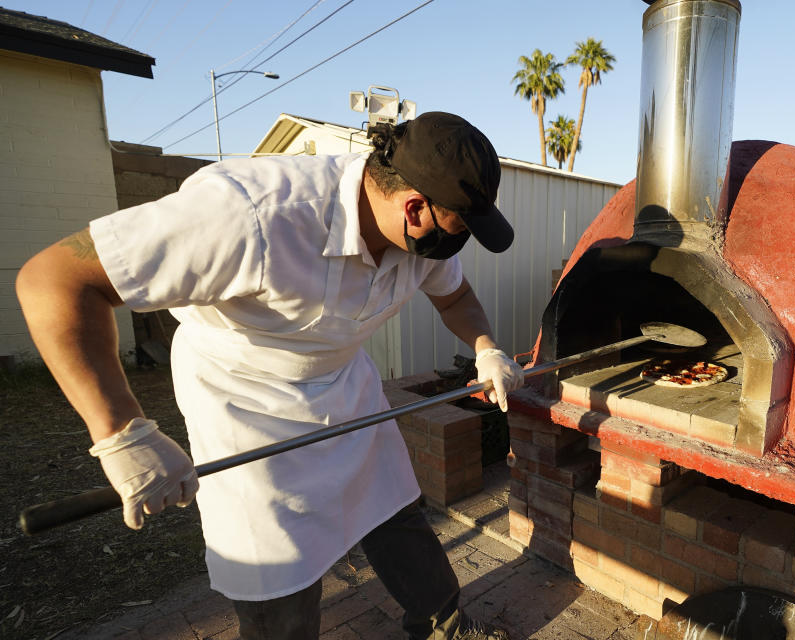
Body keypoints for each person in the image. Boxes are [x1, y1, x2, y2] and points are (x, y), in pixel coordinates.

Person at [16, 112, 525, 640]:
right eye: (459, 228)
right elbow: (53, 279)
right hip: (243, 402)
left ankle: (444, 623)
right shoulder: (251, 213)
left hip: (344, 385)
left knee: (394, 506)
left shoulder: (418, 236)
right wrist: (122, 432)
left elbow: (456, 297)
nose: (457, 242)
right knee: (276, 574)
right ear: (414, 206)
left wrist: (487, 349)